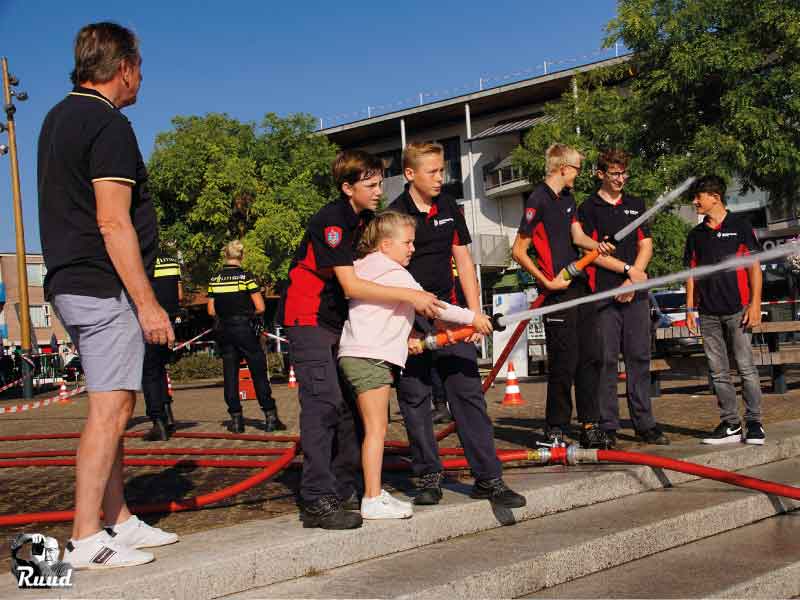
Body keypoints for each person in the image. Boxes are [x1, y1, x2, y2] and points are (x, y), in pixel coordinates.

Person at [38, 22, 177, 570]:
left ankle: (118, 520)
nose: (142, 78)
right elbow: (113, 222)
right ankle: (85, 537)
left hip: (70, 279)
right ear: (123, 68)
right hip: (103, 282)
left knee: (115, 400)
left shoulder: (56, 117)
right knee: (113, 406)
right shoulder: (108, 124)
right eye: (140, 67)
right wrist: (147, 302)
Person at [280, 150, 442, 530]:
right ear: (347, 187)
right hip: (308, 320)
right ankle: (317, 501)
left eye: (379, 183)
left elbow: (383, 270)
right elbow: (351, 284)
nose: (377, 191)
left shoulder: (367, 222)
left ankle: (345, 488)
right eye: (369, 185)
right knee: (323, 406)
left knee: (351, 411)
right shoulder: (331, 221)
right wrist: (412, 298)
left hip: (341, 325)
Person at [387, 142, 526, 508]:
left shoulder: (449, 206)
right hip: (409, 317)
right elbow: (387, 276)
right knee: (415, 400)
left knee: (467, 394)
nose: (440, 178)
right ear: (410, 174)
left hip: (450, 312)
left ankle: (489, 479)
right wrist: (409, 327)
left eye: (442, 171)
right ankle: (428, 477)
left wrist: (474, 311)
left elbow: (464, 261)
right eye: (432, 172)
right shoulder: (393, 216)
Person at [338, 211, 491, 519]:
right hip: (370, 359)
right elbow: (432, 304)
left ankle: (373, 492)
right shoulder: (392, 271)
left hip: (359, 355)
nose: (412, 249)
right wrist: (474, 318)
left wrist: (409, 335)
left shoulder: (367, 266)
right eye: (407, 243)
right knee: (376, 430)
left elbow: (382, 312)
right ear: (385, 245)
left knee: (373, 428)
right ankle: (371, 497)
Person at [510, 143, 613, 449]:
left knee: (591, 356)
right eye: (578, 169)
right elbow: (518, 250)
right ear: (563, 168)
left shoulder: (568, 198)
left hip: (579, 286)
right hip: (556, 291)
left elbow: (577, 236)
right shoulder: (537, 200)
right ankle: (554, 428)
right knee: (563, 362)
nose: (579, 175)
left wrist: (597, 247)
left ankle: (590, 425)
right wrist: (546, 281)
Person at [578, 149, 668, 447]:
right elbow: (590, 253)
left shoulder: (635, 204)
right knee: (605, 360)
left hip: (636, 293)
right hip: (604, 295)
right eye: (615, 174)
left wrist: (634, 278)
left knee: (639, 358)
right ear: (601, 174)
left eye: (624, 173)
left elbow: (646, 244)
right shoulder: (588, 208)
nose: (621, 179)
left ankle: (645, 423)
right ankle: (608, 425)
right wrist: (625, 273)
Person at [684, 175, 765, 445]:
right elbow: (692, 274)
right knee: (717, 371)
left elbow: (754, 267)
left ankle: (754, 423)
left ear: (715, 197)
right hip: (708, 313)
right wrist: (689, 310)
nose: (695, 201)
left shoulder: (741, 226)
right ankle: (731, 424)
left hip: (738, 310)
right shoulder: (695, 235)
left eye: (699, 197)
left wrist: (755, 304)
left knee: (746, 368)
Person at [208, 241, 285, 433]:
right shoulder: (245, 277)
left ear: (225, 255)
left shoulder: (215, 279)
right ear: (242, 256)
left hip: (224, 330)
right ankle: (270, 416)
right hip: (245, 328)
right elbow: (261, 307)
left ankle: (236, 420)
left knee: (230, 374)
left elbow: (210, 310)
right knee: (258, 373)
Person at [142, 251, 183, 441]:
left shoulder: (142, 258)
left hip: (151, 318)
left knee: (150, 371)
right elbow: (180, 293)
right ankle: (168, 413)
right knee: (160, 368)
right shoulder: (172, 260)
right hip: (171, 318)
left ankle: (158, 421)